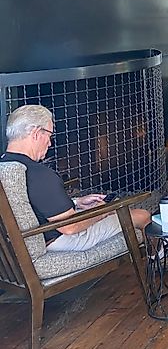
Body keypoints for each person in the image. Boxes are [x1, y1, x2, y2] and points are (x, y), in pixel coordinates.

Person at [0, 105, 151, 251]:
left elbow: (30, 203)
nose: (50, 143)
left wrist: (77, 203)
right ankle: (158, 261)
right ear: (36, 133)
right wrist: (101, 211)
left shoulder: (6, 166)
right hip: (58, 240)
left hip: (26, 241)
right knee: (141, 215)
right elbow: (70, 227)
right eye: (49, 135)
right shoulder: (38, 174)